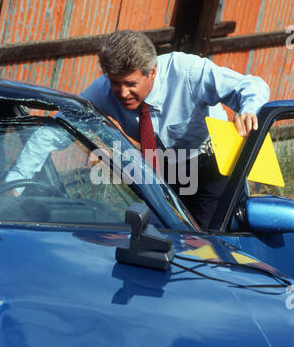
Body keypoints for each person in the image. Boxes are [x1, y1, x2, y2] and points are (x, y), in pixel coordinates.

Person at [80, 30, 270, 229]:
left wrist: (248, 111)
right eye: (115, 83)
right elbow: (68, 117)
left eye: (131, 84)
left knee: (204, 242)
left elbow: (252, 85)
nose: (122, 92)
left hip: (212, 167)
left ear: (152, 71)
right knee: (151, 234)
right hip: (162, 173)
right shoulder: (103, 90)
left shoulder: (187, 72)